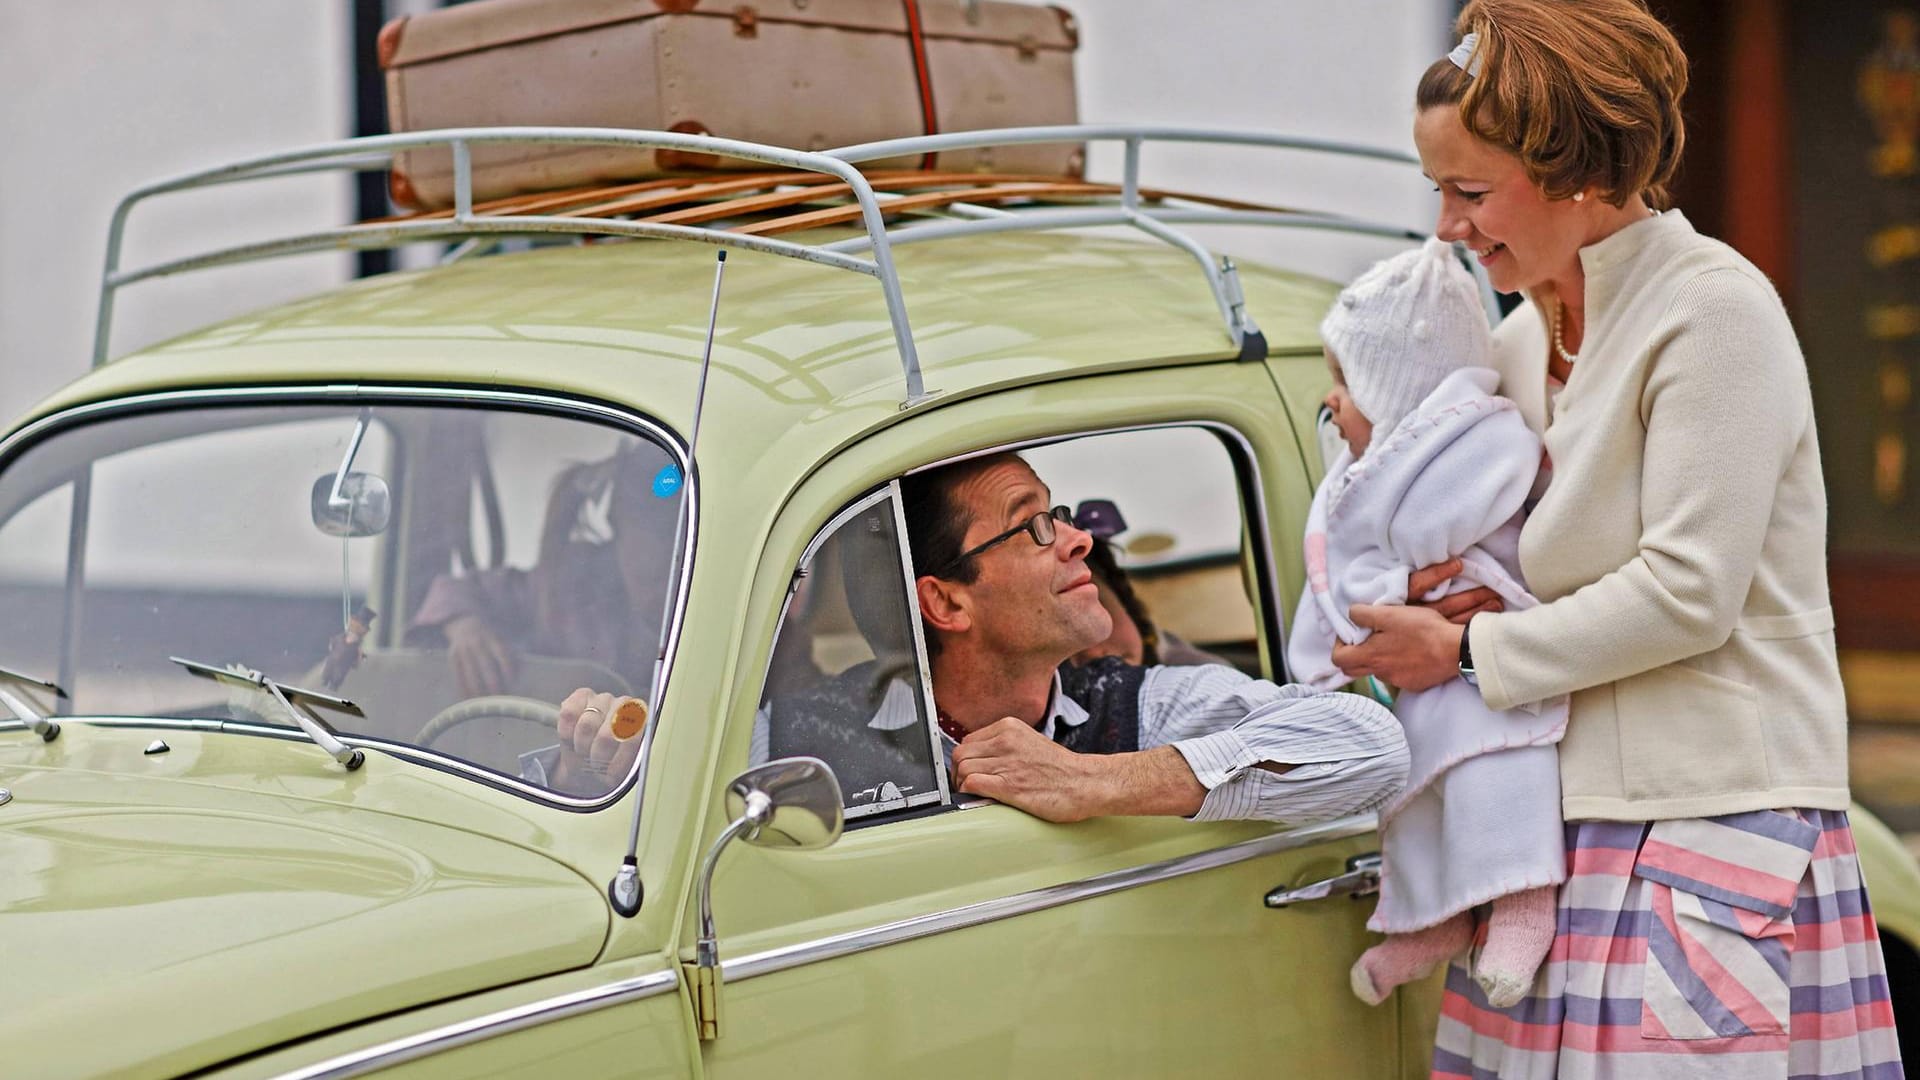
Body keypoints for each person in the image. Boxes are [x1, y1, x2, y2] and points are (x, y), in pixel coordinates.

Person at [1330, 3, 1903, 1076]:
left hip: (1713, 823)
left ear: (1577, 170)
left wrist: (1458, 652)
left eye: (1470, 191)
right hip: (1555, 845)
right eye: (1437, 191)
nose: (1448, 227)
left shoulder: (1714, 311)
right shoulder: (1510, 340)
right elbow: (1507, 561)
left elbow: (1689, 591)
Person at [1290, 236, 1568, 1011]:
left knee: (1499, 776)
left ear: (1398, 398)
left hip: (1493, 668)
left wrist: (1398, 582)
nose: (1331, 402)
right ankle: (1433, 920)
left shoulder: (1473, 455)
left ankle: (1520, 905)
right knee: (1411, 792)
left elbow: (1449, 543)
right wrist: (1394, 591)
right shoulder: (1360, 478)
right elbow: (1362, 580)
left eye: (1346, 383)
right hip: (1421, 677)